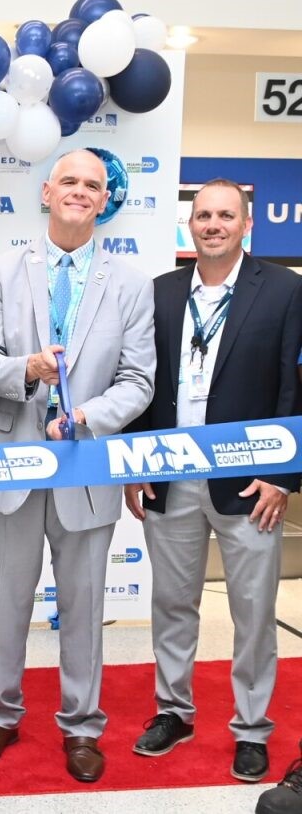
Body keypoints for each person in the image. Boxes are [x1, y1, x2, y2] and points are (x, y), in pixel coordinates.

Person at [0, 149, 156, 782]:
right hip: (11, 460)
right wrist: (29, 370)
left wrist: (89, 418)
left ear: (105, 200)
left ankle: (81, 725)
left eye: (93, 186)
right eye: (68, 181)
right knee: (9, 602)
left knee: (82, 604)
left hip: (86, 464)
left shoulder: (130, 283)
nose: (79, 192)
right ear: (46, 192)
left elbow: (138, 381)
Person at [123, 180, 302, 783]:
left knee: (253, 612)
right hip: (171, 477)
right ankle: (174, 711)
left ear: (246, 224)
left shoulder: (284, 290)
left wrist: (283, 475)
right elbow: (142, 386)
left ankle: (251, 729)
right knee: (173, 603)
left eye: (227, 215)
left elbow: (293, 387)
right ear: (190, 224)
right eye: (203, 215)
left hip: (249, 484)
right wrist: (137, 465)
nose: (214, 224)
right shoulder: (162, 293)